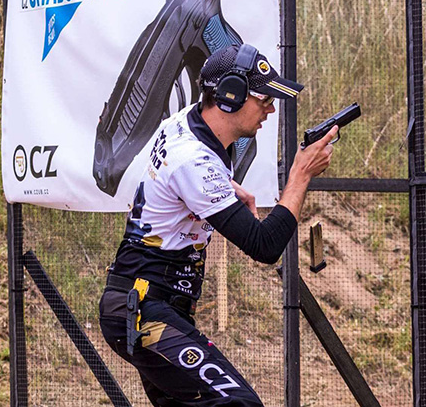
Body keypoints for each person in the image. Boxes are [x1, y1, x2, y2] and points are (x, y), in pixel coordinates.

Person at [99, 44, 337, 406]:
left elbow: (181, 180)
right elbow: (265, 245)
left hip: (147, 305)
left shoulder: (188, 126)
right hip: (144, 310)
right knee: (239, 403)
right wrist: (300, 175)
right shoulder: (194, 159)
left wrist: (222, 189)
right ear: (230, 96)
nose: (271, 109)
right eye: (264, 99)